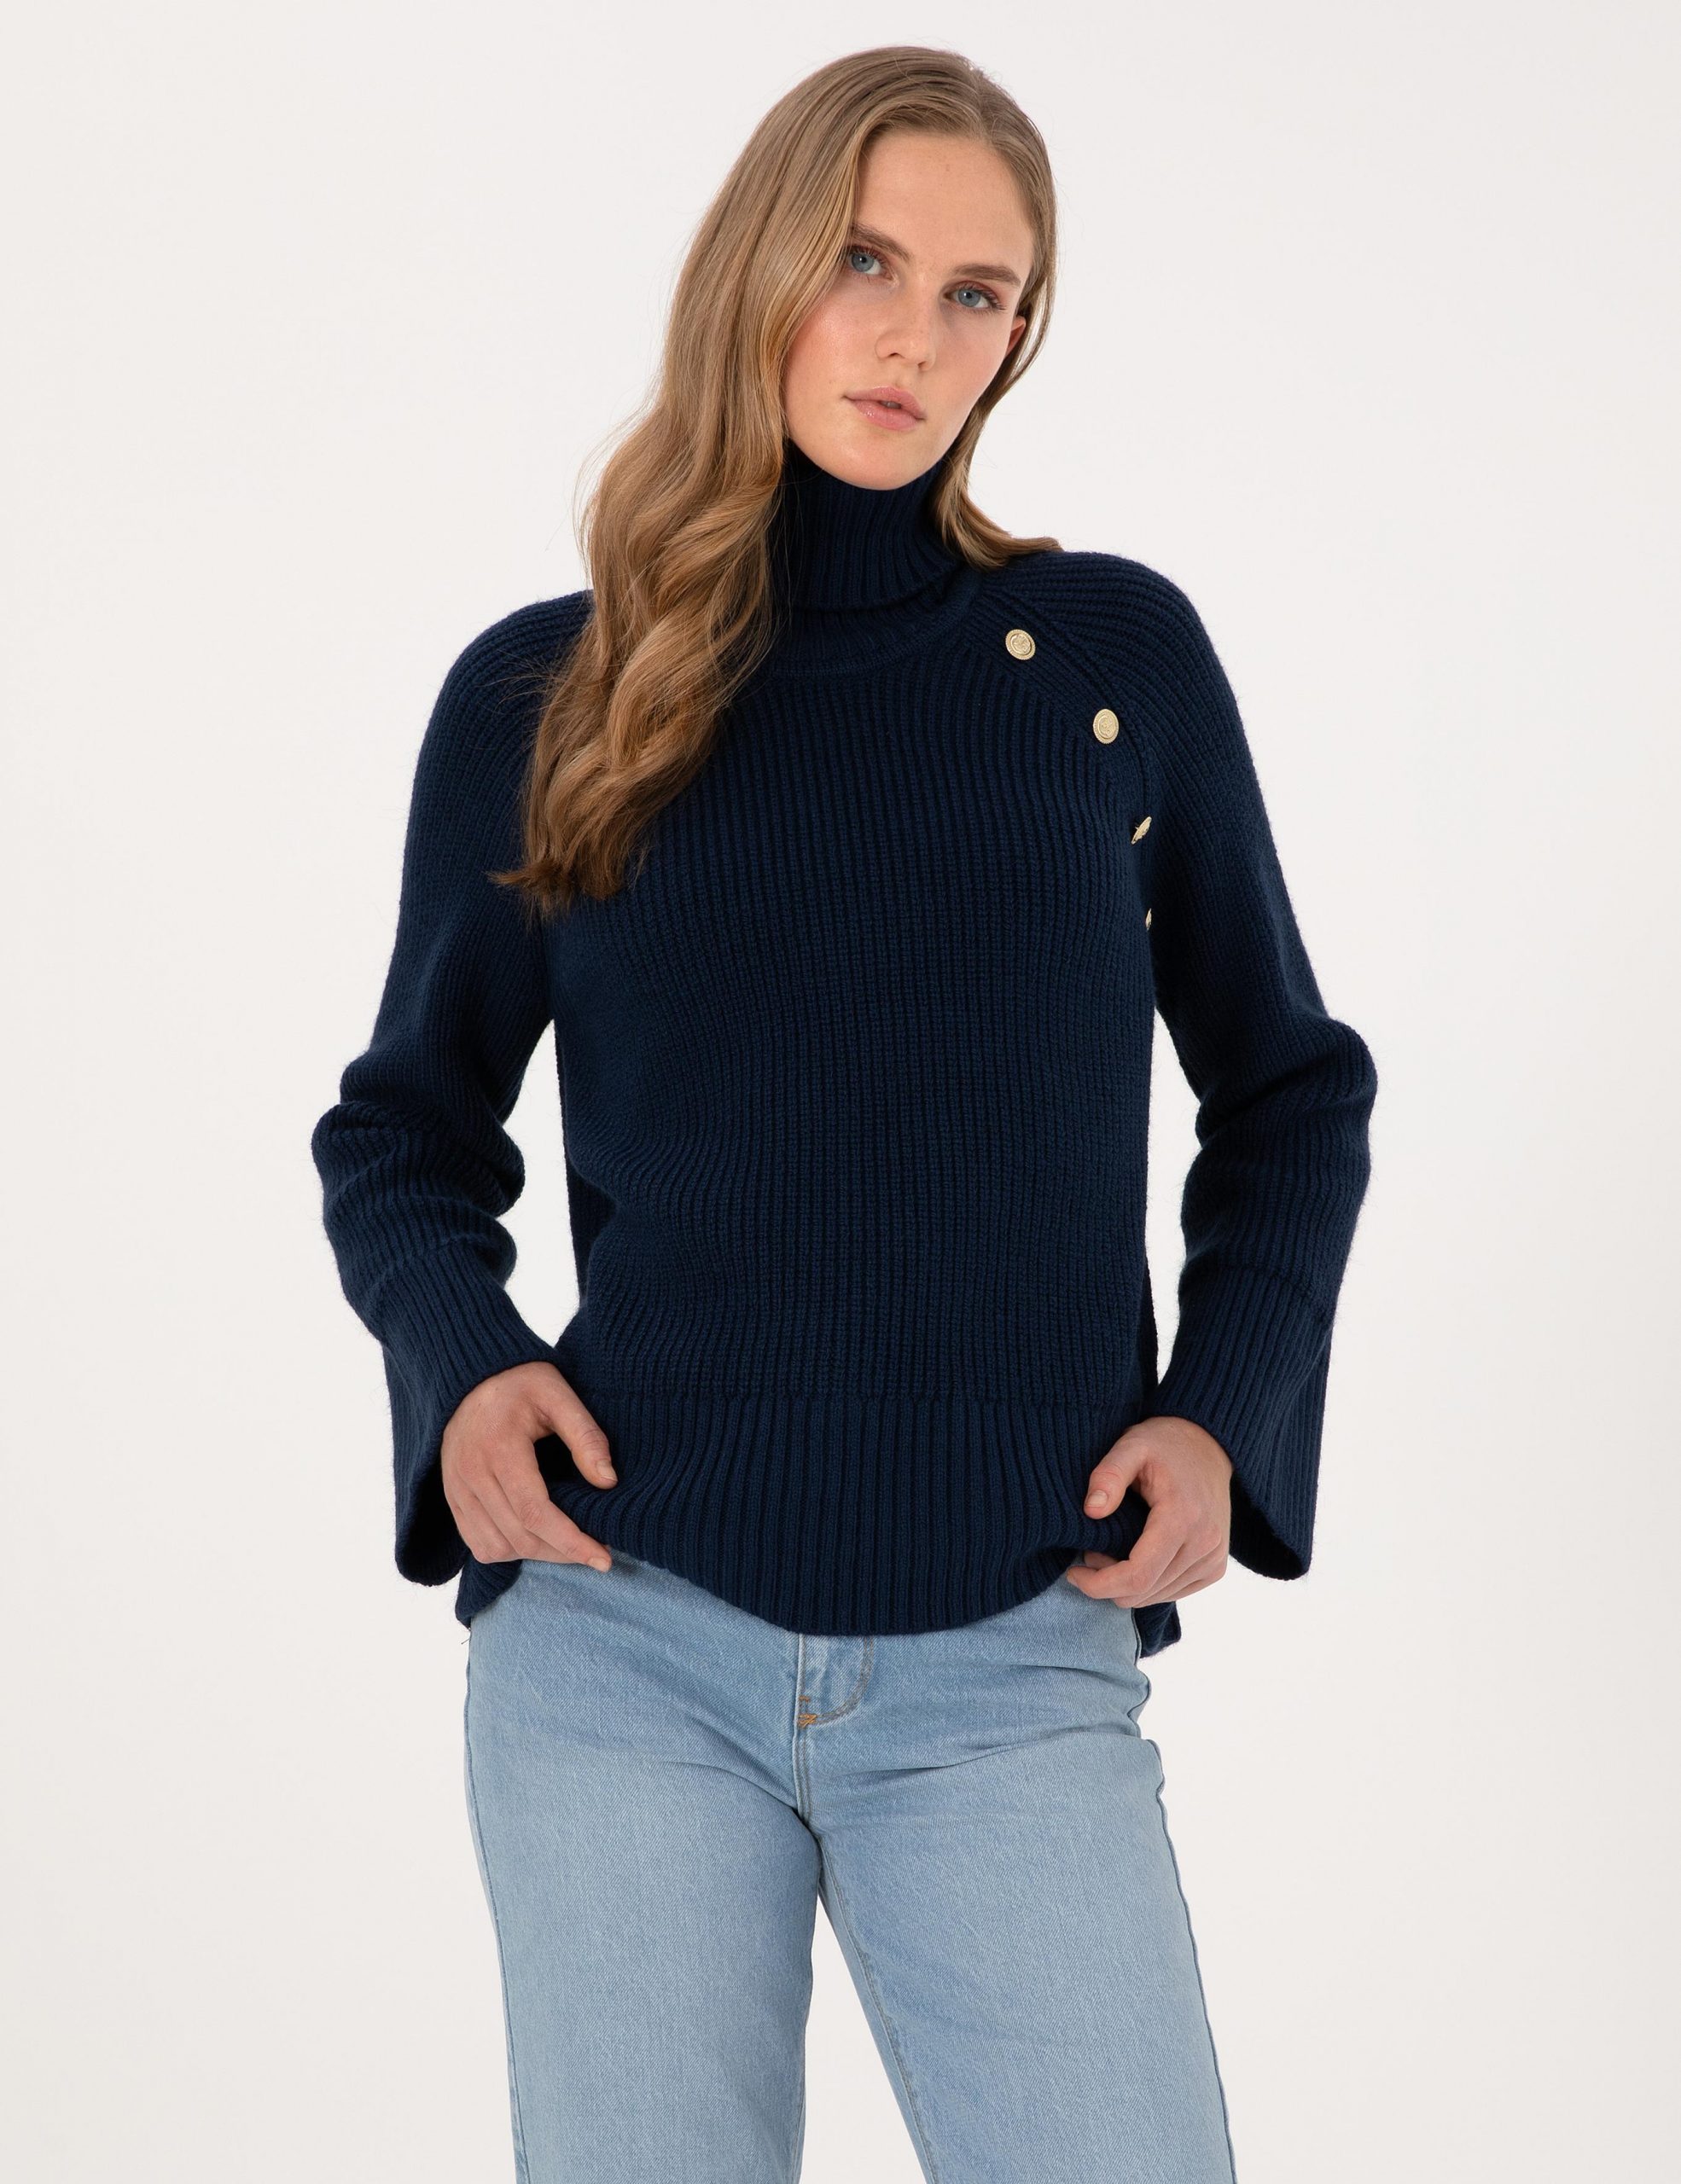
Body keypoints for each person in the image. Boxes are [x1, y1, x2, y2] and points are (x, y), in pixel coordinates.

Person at [310, 45, 1377, 2184]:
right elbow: (404, 1128)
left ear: (1021, 331)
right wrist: (465, 1364)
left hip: (1012, 1650)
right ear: (761, 267)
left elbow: (1288, 1085)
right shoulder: (553, 692)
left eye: (981, 292)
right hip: (622, 1635)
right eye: (866, 261)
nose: (914, 337)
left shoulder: (1106, 664)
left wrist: (1225, 1408)